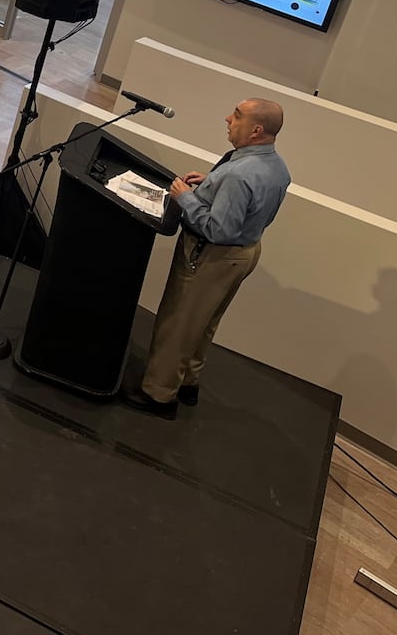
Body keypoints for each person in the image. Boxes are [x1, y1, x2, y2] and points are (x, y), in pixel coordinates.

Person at [124, 100, 291, 419]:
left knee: (180, 322)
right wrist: (212, 186)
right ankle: (188, 381)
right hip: (244, 253)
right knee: (204, 323)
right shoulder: (276, 166)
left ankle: (159, 394)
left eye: (237, 116)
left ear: (256, 130)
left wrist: (185, 198)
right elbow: (255, 210)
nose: (228, 119)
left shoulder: (240, 175)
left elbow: (219, 228)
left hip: (210, 256)